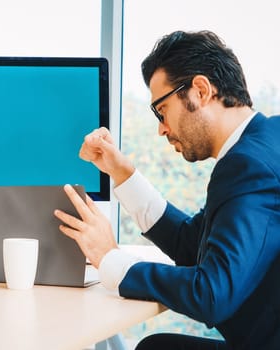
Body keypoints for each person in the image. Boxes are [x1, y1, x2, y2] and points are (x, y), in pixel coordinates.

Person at [54, 30, 280, 349]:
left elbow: (211, 294)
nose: (161, 128)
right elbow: (192, 244)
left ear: (200, 90)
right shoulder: (268, 140)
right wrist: (121, 172)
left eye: (161, 110)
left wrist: (110, 258)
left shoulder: (248, 166)